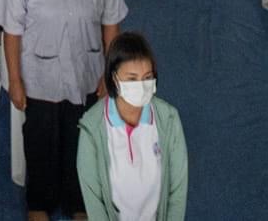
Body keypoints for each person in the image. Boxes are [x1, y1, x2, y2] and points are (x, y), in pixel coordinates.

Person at [0, 0, 127, 221]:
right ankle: (39, 203)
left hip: (87, 72)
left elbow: (111, 22)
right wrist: (15, 80)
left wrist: (109, 73)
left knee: (83, 142)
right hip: (40, 77)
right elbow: (12, 31)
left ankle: (80, 202)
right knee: (40, 142)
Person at [75, 31, 189, 221]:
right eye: (132, 79)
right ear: (113, 78)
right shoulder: (92, 127)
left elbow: (177, 188)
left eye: (147, 77)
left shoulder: (169, 119)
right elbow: (93, 198)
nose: (141, 86)